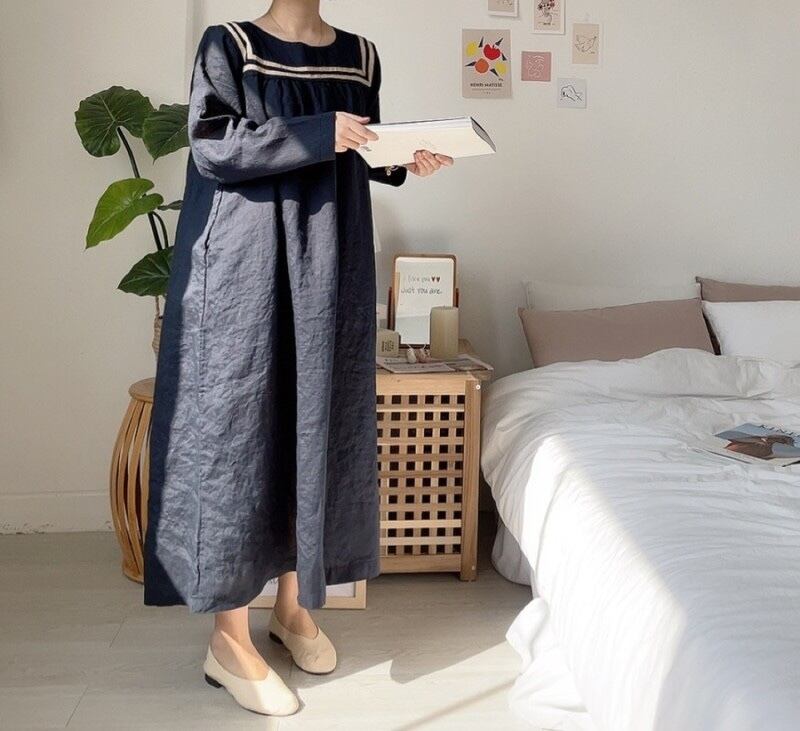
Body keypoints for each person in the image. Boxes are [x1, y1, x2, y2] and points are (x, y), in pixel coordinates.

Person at [142, 0, 453, 717]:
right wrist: (320, 131)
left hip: (328, 262)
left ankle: (292, 607)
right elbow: (213, 146)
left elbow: (358, 148)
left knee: (314, 420)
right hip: (243, 265)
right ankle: (229, 640)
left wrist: (404, 158)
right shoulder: (230, 45)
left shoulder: (361, 56)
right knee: (239, 438)